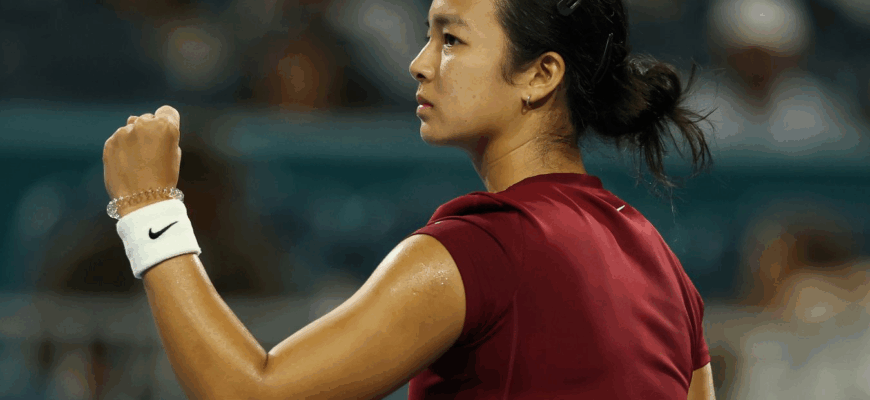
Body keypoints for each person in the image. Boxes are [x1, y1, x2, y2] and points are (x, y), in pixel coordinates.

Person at [101, 0, 716, 399]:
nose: (419, 64)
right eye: (428, 36)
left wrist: (150, 207)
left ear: (540, 75)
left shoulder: (482, 250)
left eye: (451, 39)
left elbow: (249, 392)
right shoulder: (664, 267)